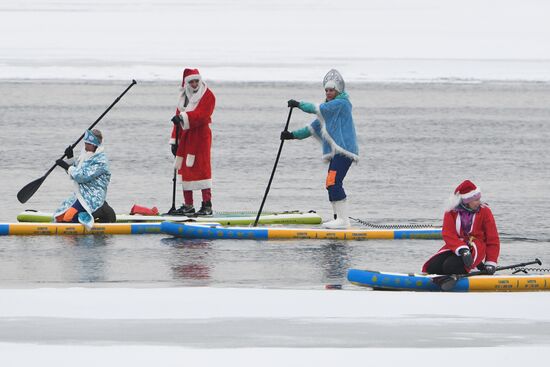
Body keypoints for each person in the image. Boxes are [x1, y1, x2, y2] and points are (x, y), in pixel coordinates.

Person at [281, 69, 359, 228]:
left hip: (345, 151)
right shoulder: (329, 110)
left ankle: (343, 221)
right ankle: (338, 218)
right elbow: (312, 128)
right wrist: (291, 135)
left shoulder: (342, 104)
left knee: (334, 182)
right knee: (330, 182)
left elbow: (316, 108)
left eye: (331, 90)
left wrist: (299, 105)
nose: (329, 93)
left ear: (338, 91)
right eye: (326, 90)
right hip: (337, 153)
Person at [423, 180, 500, 275]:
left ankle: (473, 267)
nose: (479, 202)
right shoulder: (451, 211)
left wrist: (491, 262)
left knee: (450, 266)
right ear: (466, 201)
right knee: (433, 267)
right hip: (457, 246)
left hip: (477, 247)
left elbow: (493, 239)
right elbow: (448, 234)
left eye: (479, 199)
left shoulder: (485, 211)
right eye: (476, 200)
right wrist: (463, 249)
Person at [168, 68, 216, 216]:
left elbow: (203, 115)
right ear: (187, 83)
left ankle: (207, 205)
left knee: (202, 168)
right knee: (184, 169)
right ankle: (188, 205)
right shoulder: (183, 97)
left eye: (196, 81)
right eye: (191, 82)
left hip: (201, 137)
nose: (195, 84)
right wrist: (174, 141)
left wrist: (183, 117)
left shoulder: (208, 95)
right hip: (185, 137)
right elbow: (177, 121)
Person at [54, 129, 115, 228]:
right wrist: (70, 158)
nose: (86, 146)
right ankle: (88, 213)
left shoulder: (101, 162)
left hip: (93, 197)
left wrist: (66, 166)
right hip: (81, 194)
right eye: (85, 143)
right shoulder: (86, 156)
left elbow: (82, 176)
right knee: (59, 217)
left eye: (89, 144)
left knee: (68, 218)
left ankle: (101, 210)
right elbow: (75, 172)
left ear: (95, 145)